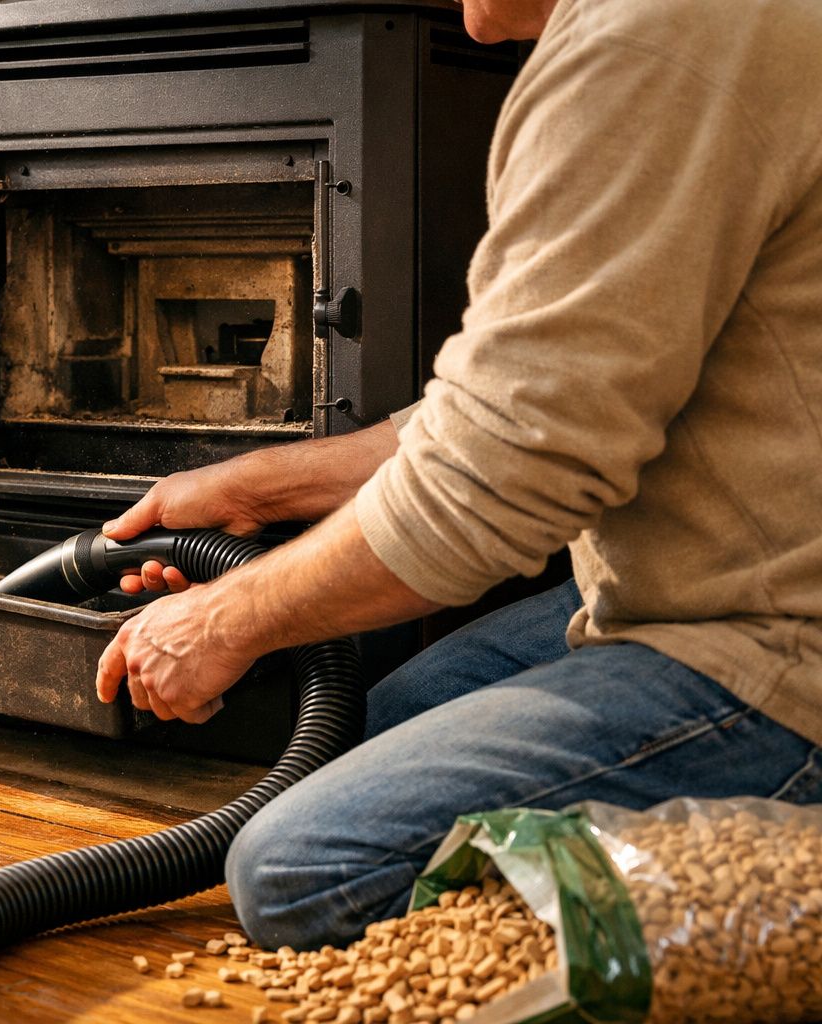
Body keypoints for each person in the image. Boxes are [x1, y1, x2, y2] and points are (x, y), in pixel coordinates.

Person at [94, 0, 822, 950]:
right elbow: (509, 404)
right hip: (712, 580)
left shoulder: (651, 40)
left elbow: (503, 475)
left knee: (302, 871)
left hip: (779, 646)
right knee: (381, 716)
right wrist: (258, 488)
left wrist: (224, 619)